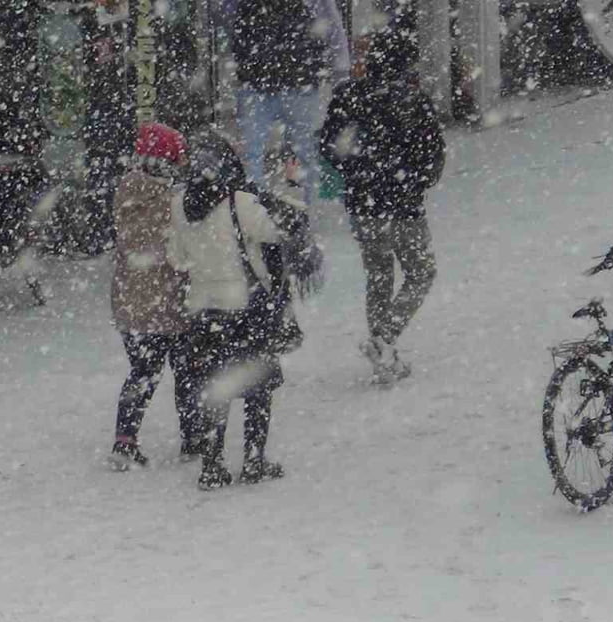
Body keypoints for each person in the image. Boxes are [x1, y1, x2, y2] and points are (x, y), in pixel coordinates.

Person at [318, 24, 445, 384]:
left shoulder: (347, 97)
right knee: (421, 272)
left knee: (378, 276)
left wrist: (357, 173)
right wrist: (414, 180)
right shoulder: (412, 101)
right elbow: (433, 156)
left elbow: (328, 147)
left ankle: (383, 354)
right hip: (403, 205)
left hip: (363, 205)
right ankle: (384, 338)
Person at [167, 132, 293, 490]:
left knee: (214, 387)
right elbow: (276, 234)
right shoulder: (241, 202)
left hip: (203, 311)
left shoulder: (179, 204)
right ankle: (254, 460)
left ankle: (211, 464)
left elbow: (177, 258)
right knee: (258, 387)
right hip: (245, 307)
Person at [108, 122, 199, 470]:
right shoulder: (171, 202)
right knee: (188, 371)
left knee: (142, 372)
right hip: (169, 303)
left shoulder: (126, 191)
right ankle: (193, 437)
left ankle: (125, 439)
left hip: (130, 305)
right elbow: (178, 252)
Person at [232, 0, 350, 204]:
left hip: (264, 82)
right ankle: (307, 216)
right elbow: (330, 28)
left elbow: (237, 35)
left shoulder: (250, 7)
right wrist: (337, 68)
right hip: (296, 82)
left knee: (254, 155)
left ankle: (254, 213)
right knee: (307, 153)